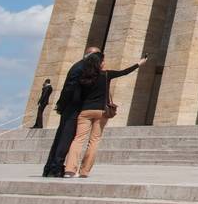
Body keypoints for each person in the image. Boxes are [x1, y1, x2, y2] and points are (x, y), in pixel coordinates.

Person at [64, 50, 146, 178]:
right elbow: (124, 72)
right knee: (94, 140)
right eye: (103, 61)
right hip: (101, 111)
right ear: (100, 63)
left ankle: (69, 170)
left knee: (78, 139)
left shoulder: (84, 76)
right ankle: (84, 172)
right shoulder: (106, 75)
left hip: (85, 111)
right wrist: (139, 63)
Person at [41, 46, 98, 177]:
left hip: (69, 106)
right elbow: (70, 88)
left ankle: (50, 167)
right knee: (65, 137)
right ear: (90, 55)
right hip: (73, 107)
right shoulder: (81, 67)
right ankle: (56, 167)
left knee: (61, 137)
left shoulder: (79, 66)